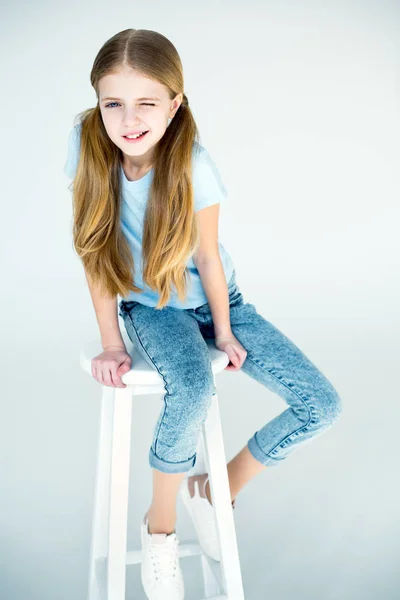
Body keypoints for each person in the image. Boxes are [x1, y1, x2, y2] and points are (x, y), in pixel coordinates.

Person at [64, 28, 343, 600]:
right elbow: (95, 257)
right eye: (113, 103)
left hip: (218, 301)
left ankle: (215, 491)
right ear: (98, 103)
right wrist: (111, 341)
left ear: (175, 103)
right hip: (151, 306)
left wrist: (223, 330)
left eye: (146, 103)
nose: (128, 119)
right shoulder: (88, 146)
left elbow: (209, 260)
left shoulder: (192, 164)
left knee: (321, 404)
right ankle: (159, 530)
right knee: (191, 389)